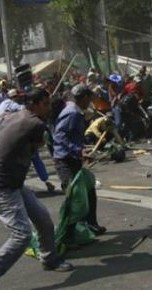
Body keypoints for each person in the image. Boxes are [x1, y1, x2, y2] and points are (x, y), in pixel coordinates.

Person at [0, 88, 74, 276]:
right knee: (21, 235)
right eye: (45, 104)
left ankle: (49, 258)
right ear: (34, 104)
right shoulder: (34, 124)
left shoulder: (15, 115)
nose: (48, 108)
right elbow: (39, 145)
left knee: (43, 221)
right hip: (4, 185)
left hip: (14, 181)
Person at [53, 84, 106, 234]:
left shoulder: (76, 111)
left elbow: (72, 135)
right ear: (83, 98)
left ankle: (91, 224)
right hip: (65, 161)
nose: (89, 102)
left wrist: (84, 149)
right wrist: (78, 150)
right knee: (75, 198)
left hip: (72, 157)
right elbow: (59, 135)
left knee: (89, 190)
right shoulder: (72, 113)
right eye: (88, 98)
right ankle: (68, 234)